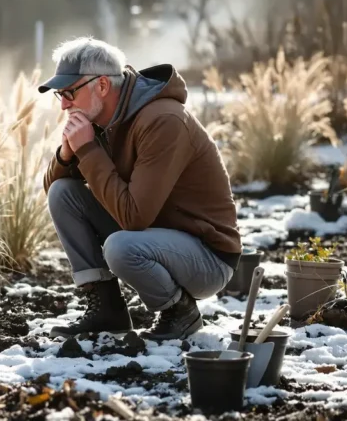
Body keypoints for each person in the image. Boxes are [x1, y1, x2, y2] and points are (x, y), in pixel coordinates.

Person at [38, 37, 242, 341]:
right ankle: (107, 309)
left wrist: (89, 151)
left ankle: (179, 312)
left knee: (121, 247)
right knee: (63, 193)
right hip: (152, 236)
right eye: (60, 94)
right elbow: (52, 189)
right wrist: (67, 154)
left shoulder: (163, 120)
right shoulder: (97, 118)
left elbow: (134, 218)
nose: (65, 104)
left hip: (206, 256)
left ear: (103, 86)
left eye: (70, 92)